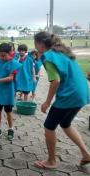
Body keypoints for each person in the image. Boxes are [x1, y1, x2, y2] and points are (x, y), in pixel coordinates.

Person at [33, 31, 90, 169]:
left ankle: (51, 161)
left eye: (35, 44)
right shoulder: (62, 52)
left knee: (49, 126)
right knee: (65, 123)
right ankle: (86, 154)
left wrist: (47, 102)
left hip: (69, 95)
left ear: (40, 44)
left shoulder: (49, 57)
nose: (35, 47)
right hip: (82, 93)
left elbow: (55, 81)